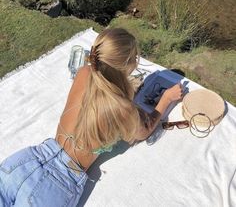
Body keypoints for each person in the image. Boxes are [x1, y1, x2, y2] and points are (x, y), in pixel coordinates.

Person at [0, 28, 183, 207]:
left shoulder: (84, 72)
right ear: (128, 64)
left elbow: (101, 94)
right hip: (59, 183)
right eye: (135, 57)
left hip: (27, 161)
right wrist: (166, 99)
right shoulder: (123, 108)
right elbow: (144, 131)